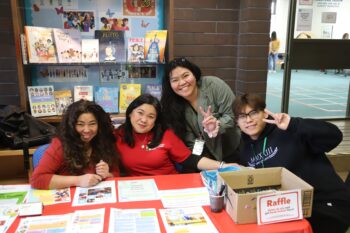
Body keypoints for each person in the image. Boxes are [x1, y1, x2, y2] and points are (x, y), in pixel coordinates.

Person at [232, 93, 350, 233]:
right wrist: (212, 136)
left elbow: (335, 136)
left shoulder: (289, 130)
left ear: (264, 113)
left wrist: (293, 124)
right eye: (242, 116)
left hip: (325, 205)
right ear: (237, 122)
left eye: (253, 113)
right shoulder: (246, 148)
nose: (248, 120)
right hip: (287, 209)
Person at [115, 94, 241, 176]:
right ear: (130, 113)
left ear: (156, 121)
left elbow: (190, 160)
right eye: (140, 113)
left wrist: (224, 166)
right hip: (137, 189)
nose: (143, 120)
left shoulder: (166, 135)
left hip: (169, 186)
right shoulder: (117, 135)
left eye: (150, 116)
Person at [161, 57, 241, 170]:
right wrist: (204, 162)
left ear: (194, 73)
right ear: (169, 84)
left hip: (231, 149)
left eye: (185, 76)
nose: (182, 82)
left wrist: (217, 125)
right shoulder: (171, 105)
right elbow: (186, 141)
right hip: (202, 159)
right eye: (175, 80)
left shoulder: (214, 85)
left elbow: (234, 114)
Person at [30, 100, 120, 189]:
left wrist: (108, 174)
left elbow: (116, 174)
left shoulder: (105, 141)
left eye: (92, 124)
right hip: (67, 198)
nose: (87, 130)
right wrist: (78, 181)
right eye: (80, 124)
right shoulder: (60, 145)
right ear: (71, 126)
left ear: (100, 125)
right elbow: (37, 179)